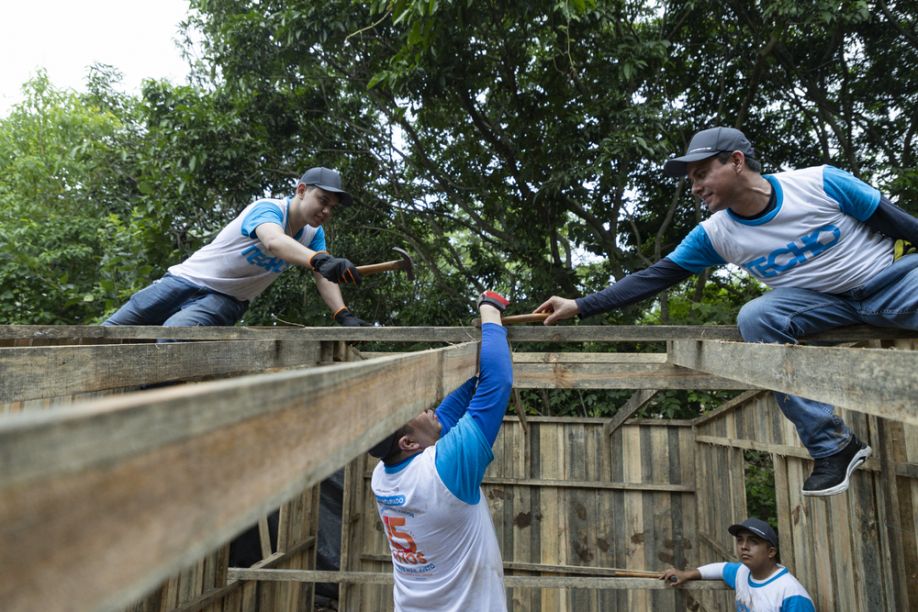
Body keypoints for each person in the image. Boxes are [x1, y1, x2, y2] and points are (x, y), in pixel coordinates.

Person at [535, 126, 918, 496]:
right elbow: (655, 277)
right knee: (756, 317)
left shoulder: (820, 183)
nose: (696, 187)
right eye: (691, 180)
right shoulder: (716, 234)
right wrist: (580, 305)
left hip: (891, 282)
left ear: (736, 161)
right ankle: (833, 446)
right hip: (822, 305)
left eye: (702, 174)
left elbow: (901, 224)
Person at [369, 291, 513, 612]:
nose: (427, 407)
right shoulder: (443, 473)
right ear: (408, 443)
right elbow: (499, 381)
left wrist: (484, 352)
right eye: (416, 409)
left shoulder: (383, 476)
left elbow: (444, 418)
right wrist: (490, 312)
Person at [104, 166, 368, 328]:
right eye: (322, 200)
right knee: (110, 333)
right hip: (184, 279)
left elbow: (323, 273)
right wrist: (319, 260)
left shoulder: (313, 235)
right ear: (301, 190)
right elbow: (274, 241)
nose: (326, 210)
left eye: (332, 207)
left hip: (226, 300)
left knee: (173, 339)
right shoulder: (268, 208)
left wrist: (342, 313)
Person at [661, 517, 815, 611]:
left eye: (753, 542)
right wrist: (687, 574)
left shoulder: (791, 593)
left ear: (771, 552)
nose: (743, 546)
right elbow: (721, 569)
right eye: (740, 540)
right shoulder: (744, 572)